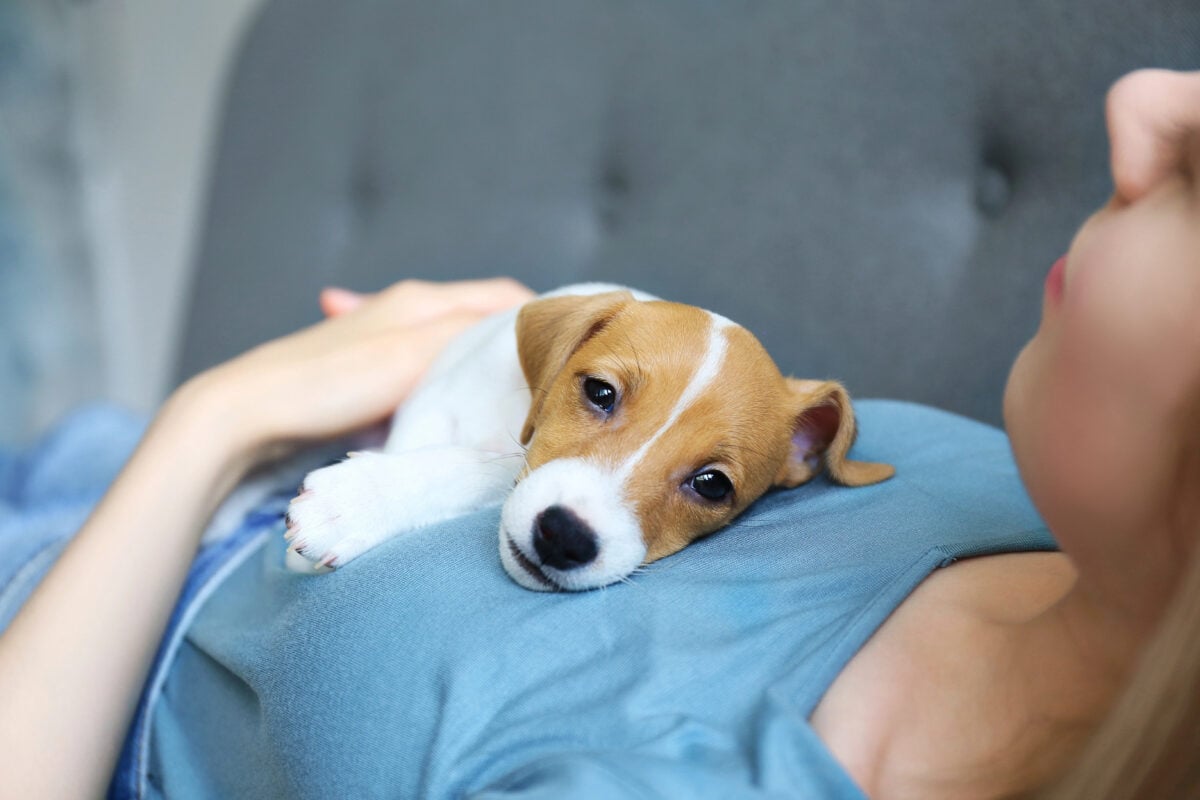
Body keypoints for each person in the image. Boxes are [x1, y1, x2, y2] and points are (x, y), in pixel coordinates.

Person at [1, 67, 1198, 799]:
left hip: (78, 650)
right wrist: (511, 365)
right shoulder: (1000, 484)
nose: (1150, 101)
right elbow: (674, 386)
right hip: (133, 474)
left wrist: (217, 415)